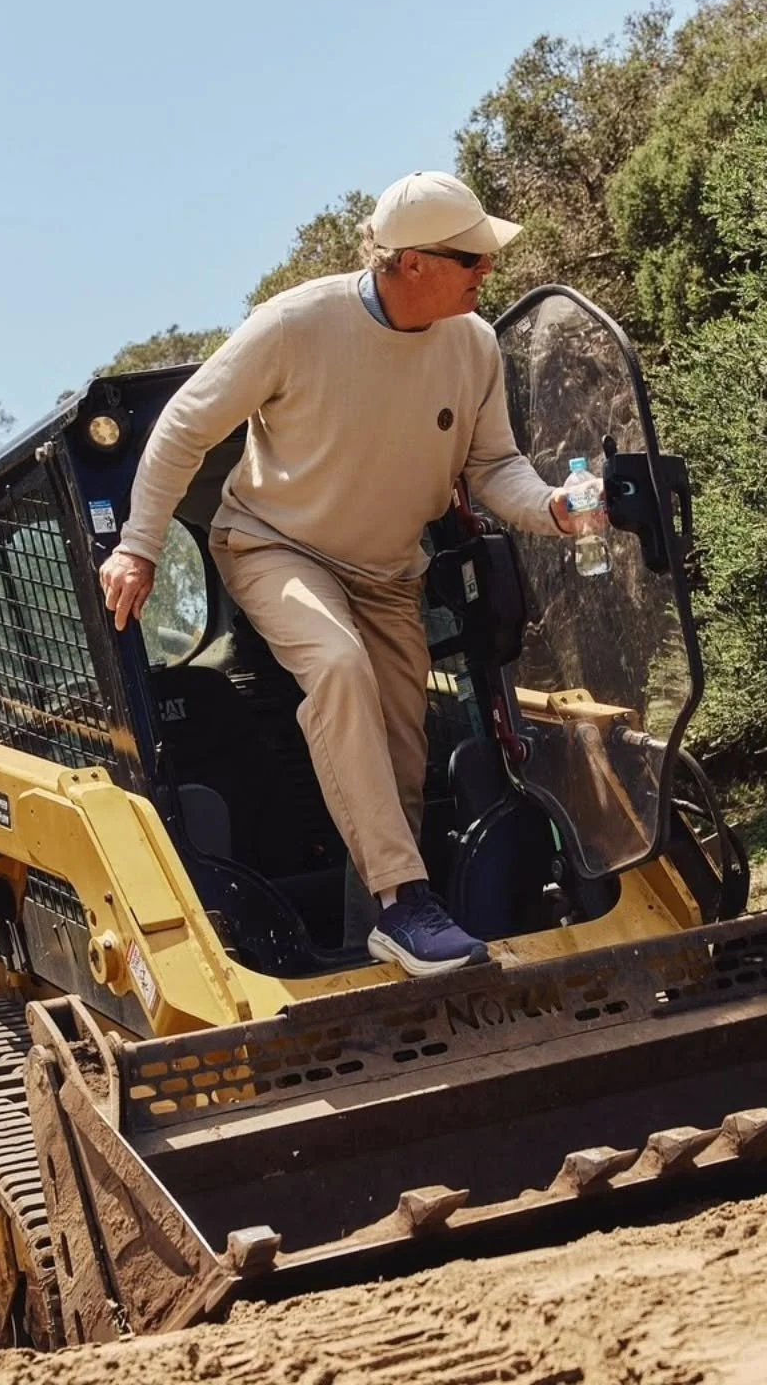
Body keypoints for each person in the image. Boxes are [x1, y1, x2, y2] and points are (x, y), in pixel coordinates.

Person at [99, 170, 582, 976]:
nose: (487, 270)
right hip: (275, 546)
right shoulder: (296, 324)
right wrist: (139, 545)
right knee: (338, 664)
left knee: (399, 763)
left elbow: (495, 465)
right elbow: (184, 426)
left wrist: (555, 509)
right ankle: (404, 902)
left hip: (389, 573)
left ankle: (378, 943)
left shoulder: (473, 346)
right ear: (412, 262)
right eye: (472, 258)